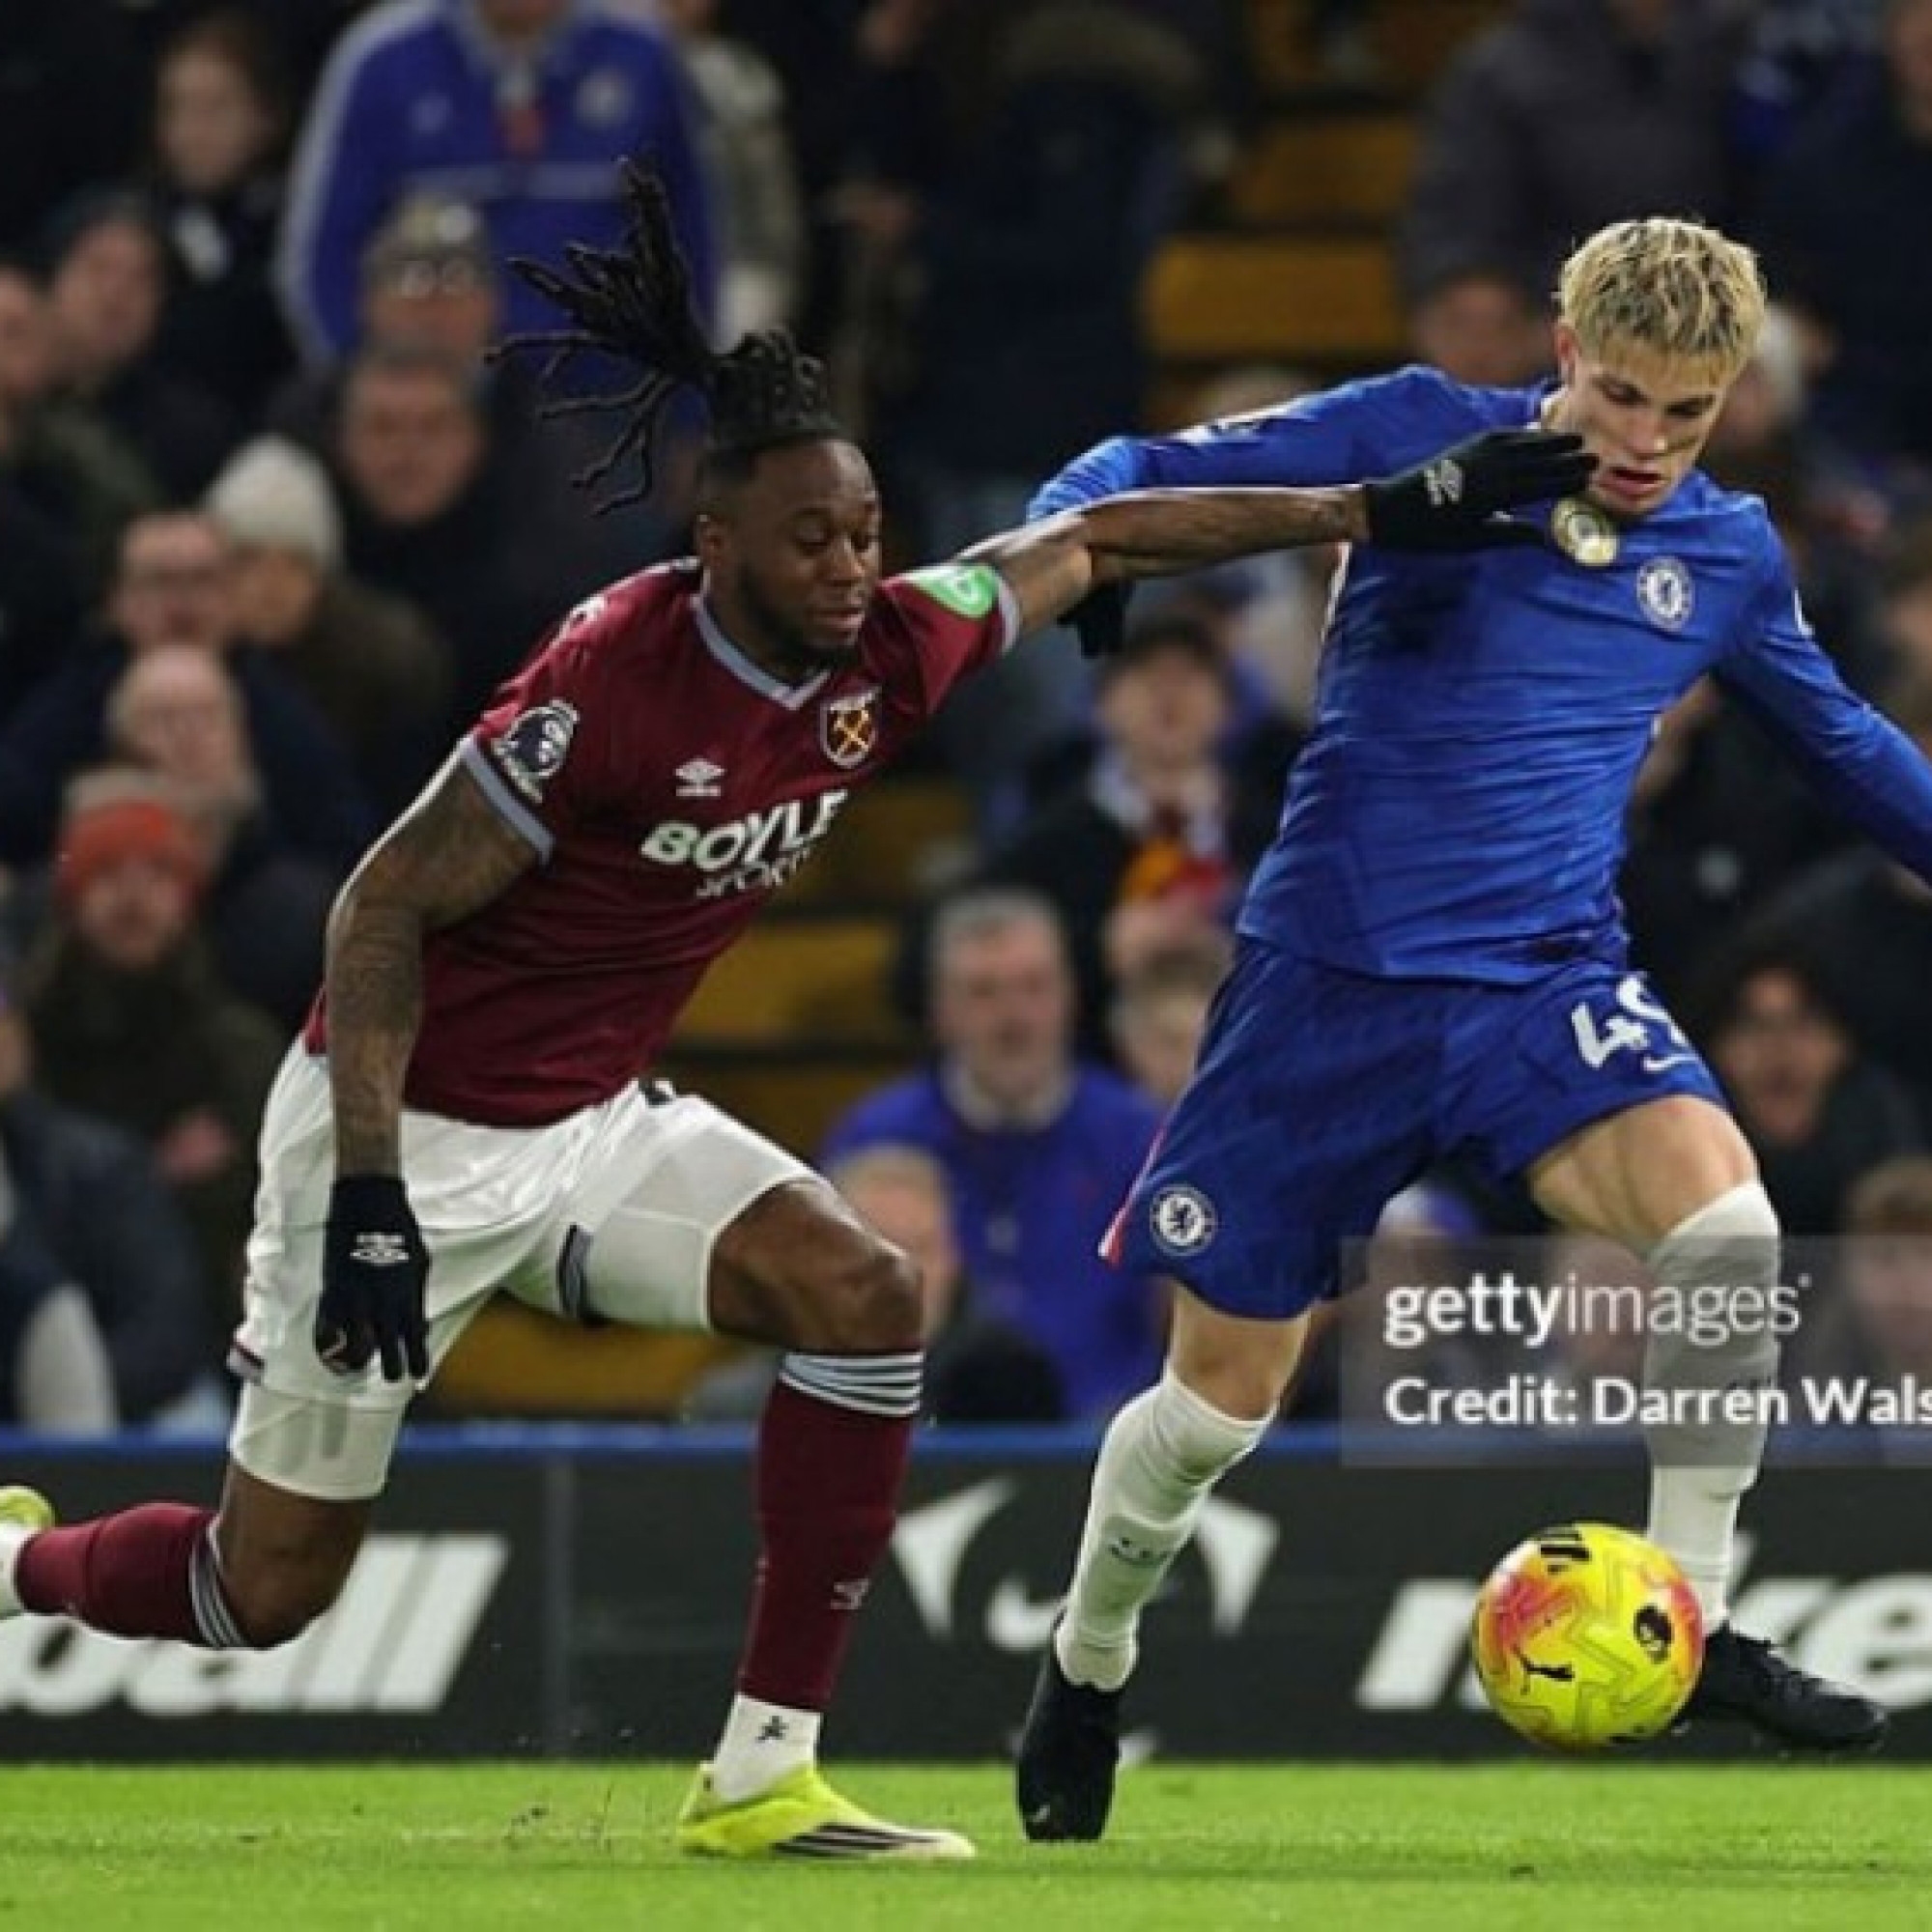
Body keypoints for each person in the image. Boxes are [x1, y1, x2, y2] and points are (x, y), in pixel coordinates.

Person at [0, 160, 1588, 1858]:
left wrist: (1380, 506)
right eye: (812, 538)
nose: (851, 567)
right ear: (715, 542)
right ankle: (14, 1561)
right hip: (404, 1132)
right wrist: (373, 1197)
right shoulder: (609, 675)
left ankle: (763, 1770)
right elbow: (380, 908)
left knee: (865, 1297)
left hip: (593, 1117)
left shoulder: (896, 650)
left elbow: (1093, 538)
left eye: (867, 533)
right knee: (268, 1591)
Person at [1012, 214, 1912, 1846]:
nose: (1646, 444)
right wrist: (1081, 543)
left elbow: (1846, 747)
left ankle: (1690, 1627)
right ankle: (1086, 1660)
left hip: (1541, 983)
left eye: (1687, 414)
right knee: (1215, 1411)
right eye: (1622, 399)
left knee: (1727, 1231)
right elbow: (1134, 461)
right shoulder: (1426, 432)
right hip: (1325, 993)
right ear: (1563, 354)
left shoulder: (1722, 555)